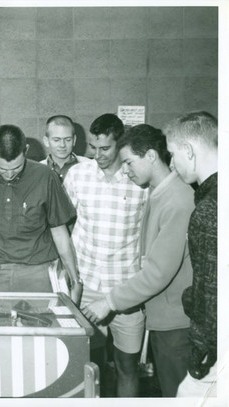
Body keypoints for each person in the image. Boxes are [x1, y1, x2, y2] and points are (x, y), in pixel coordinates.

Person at [82, 124, 194, 397]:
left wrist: (108, 301)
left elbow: (157, 273)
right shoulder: (160, 193)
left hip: (176, 323)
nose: (126, 170)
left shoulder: (177, 199)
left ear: (152, 156)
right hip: (164, 318)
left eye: (130, 162)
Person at [63, 114, 148, 397]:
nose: (96, 155)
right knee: (86, 368)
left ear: (119, 143)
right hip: (85, 287)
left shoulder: (139, 179)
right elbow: (64, 224)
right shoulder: (77, 175)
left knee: (127, 368)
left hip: (126, 289)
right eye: (92, 147)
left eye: (105, 149)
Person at [0, 124, 82, 302]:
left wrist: (74, 278)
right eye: (2, 168)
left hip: (38, 274)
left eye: (16, 168)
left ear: (26, 150)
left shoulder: (45, 176)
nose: (9, 174)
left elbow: (59, 231)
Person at [163, 111, 218, 398]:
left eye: (172, 154)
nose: (172, 164)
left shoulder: (210, 209)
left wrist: (199, 359)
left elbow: (213, 295)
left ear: (189, 150)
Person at [40, 115, 90, 182]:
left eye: (68, 140)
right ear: (46, 141)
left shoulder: (91, 166)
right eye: (56, 140)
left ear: (74, 140)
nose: (62, 145)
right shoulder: (36, 170)